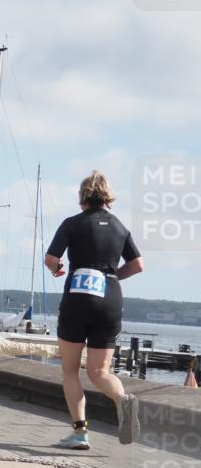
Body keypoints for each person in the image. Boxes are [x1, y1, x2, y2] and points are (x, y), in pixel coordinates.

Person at [45, 171, 144, 450]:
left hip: (78, 297)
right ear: (107, 197)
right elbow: (138, 264)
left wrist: (57, 268)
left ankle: (80, 433)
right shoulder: (120, 227)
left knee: (70, 370)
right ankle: (122, 399)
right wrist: (111, 278)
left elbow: (51, 258)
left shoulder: (72, 223)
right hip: (110, 296)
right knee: (99, 371)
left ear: (83, 197)